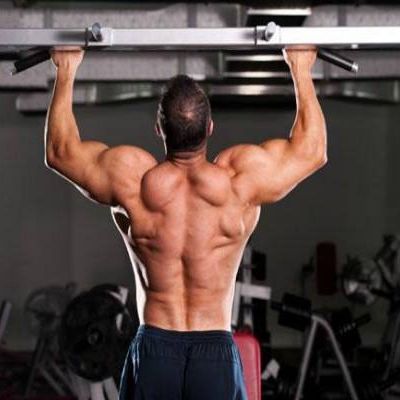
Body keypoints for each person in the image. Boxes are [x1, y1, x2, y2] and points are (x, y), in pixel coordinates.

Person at [45, 46, 327, 400]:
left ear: (159, 128)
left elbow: (60, 151)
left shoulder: (132, 181)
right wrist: (300, 65)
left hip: (155, 349)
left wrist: (66, 67)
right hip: (215, 353)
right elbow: (312, 150)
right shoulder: (239, 184)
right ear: (210, 127)